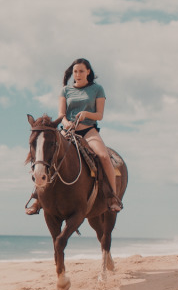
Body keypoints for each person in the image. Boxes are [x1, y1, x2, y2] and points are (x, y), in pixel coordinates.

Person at [26, 58, 123, 215]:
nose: (77, 74)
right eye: (75, 72)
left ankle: (112, 196)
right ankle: (37, 198)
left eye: (81, 71)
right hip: (68, 130)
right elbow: (61, 114)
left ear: (88, 72)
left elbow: (99, 115)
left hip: (88, 130)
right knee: (46, 154)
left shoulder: (97, 89)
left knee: (104, 156)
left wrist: (86, 114)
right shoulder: (65, 90)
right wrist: (66, 122)